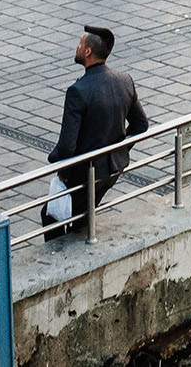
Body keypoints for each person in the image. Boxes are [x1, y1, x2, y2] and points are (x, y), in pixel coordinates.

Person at [43, 26, 148, 236]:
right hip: (112, 168)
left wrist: (54, 160)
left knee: (51, 216)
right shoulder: (124, 80)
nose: (77, 47)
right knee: (83, 212)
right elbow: (141, 125)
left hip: (85, 172)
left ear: (88, 52)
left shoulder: (78, 91)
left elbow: (66, 146)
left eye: (80, 44)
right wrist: (119, 149)